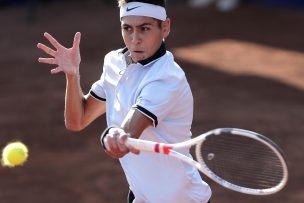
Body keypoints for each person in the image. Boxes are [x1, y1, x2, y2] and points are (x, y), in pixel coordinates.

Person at [37, 0, 212, 202]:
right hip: (141, 196)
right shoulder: (114, 62)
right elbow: (77, 121)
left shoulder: (167, 78)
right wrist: (72, 74)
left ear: (165, 28)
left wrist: (114, 135)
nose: (135, 39)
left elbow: (127, 135)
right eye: (127, 28)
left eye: (144, 29)